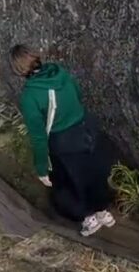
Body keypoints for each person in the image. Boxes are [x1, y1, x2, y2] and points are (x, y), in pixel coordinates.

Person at [13, 45, 117, 237]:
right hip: (87, 129)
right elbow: (78, 94)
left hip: (64, 142)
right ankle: (103, 212)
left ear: (20, 70)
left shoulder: (30, 96)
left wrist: (42, 167)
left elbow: (38, 136)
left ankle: (89, 218)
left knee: (69, 183)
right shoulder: (60, 73)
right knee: (94, 173)